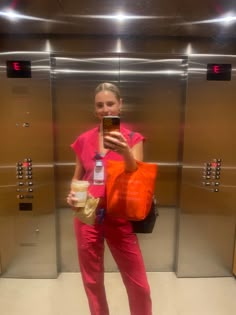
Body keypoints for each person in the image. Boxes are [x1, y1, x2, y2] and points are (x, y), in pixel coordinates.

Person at [67, 82, 152, 315]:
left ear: (120, 105)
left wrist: (124, 151)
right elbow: (77, 177)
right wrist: (72, 194)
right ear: (95, 110)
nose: (106, 109)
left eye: (110, 103)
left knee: (139, 284)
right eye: (100, 105)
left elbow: (136, 175)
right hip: (87, 215)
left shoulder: (133, 138)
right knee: (92, 280)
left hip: (120, 216)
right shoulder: (83, 140)